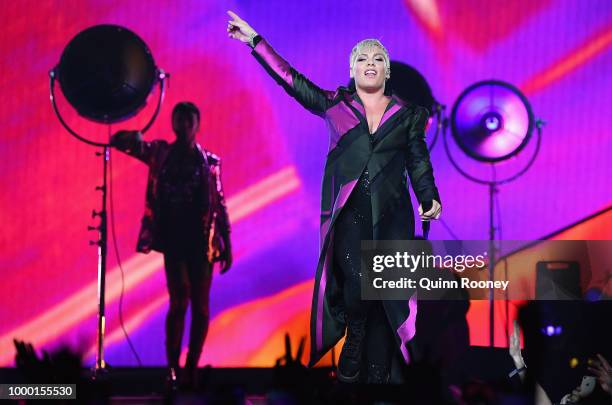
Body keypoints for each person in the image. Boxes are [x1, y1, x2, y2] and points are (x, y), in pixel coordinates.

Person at [227, 11, 441, 383]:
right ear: (352, 69)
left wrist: (428, 196)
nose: (370, 63)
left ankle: (380, 376)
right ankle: (354, 334)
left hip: (391, 215)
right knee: (357, 283)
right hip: (349, 214)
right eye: (362, 58)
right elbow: (291, 81)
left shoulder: (409, 115)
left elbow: (418, 160)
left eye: (377, 59)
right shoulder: (335, 106)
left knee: (386, 302)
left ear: (387, 71)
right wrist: (255, 42)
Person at [110, 101, 232, 388]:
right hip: (174, 240)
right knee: (179, 301)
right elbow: (120, 142)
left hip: (203, 243)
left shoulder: (210, 162)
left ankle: (191, 367)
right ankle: (172, 368)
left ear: (197, 125)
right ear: (174, 124)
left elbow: (220, 202)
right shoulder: (160, 153)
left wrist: (228, 240)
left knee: (201, 308)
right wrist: (138, 134)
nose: (185, 126)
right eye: (180, 120)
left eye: (189, 121)